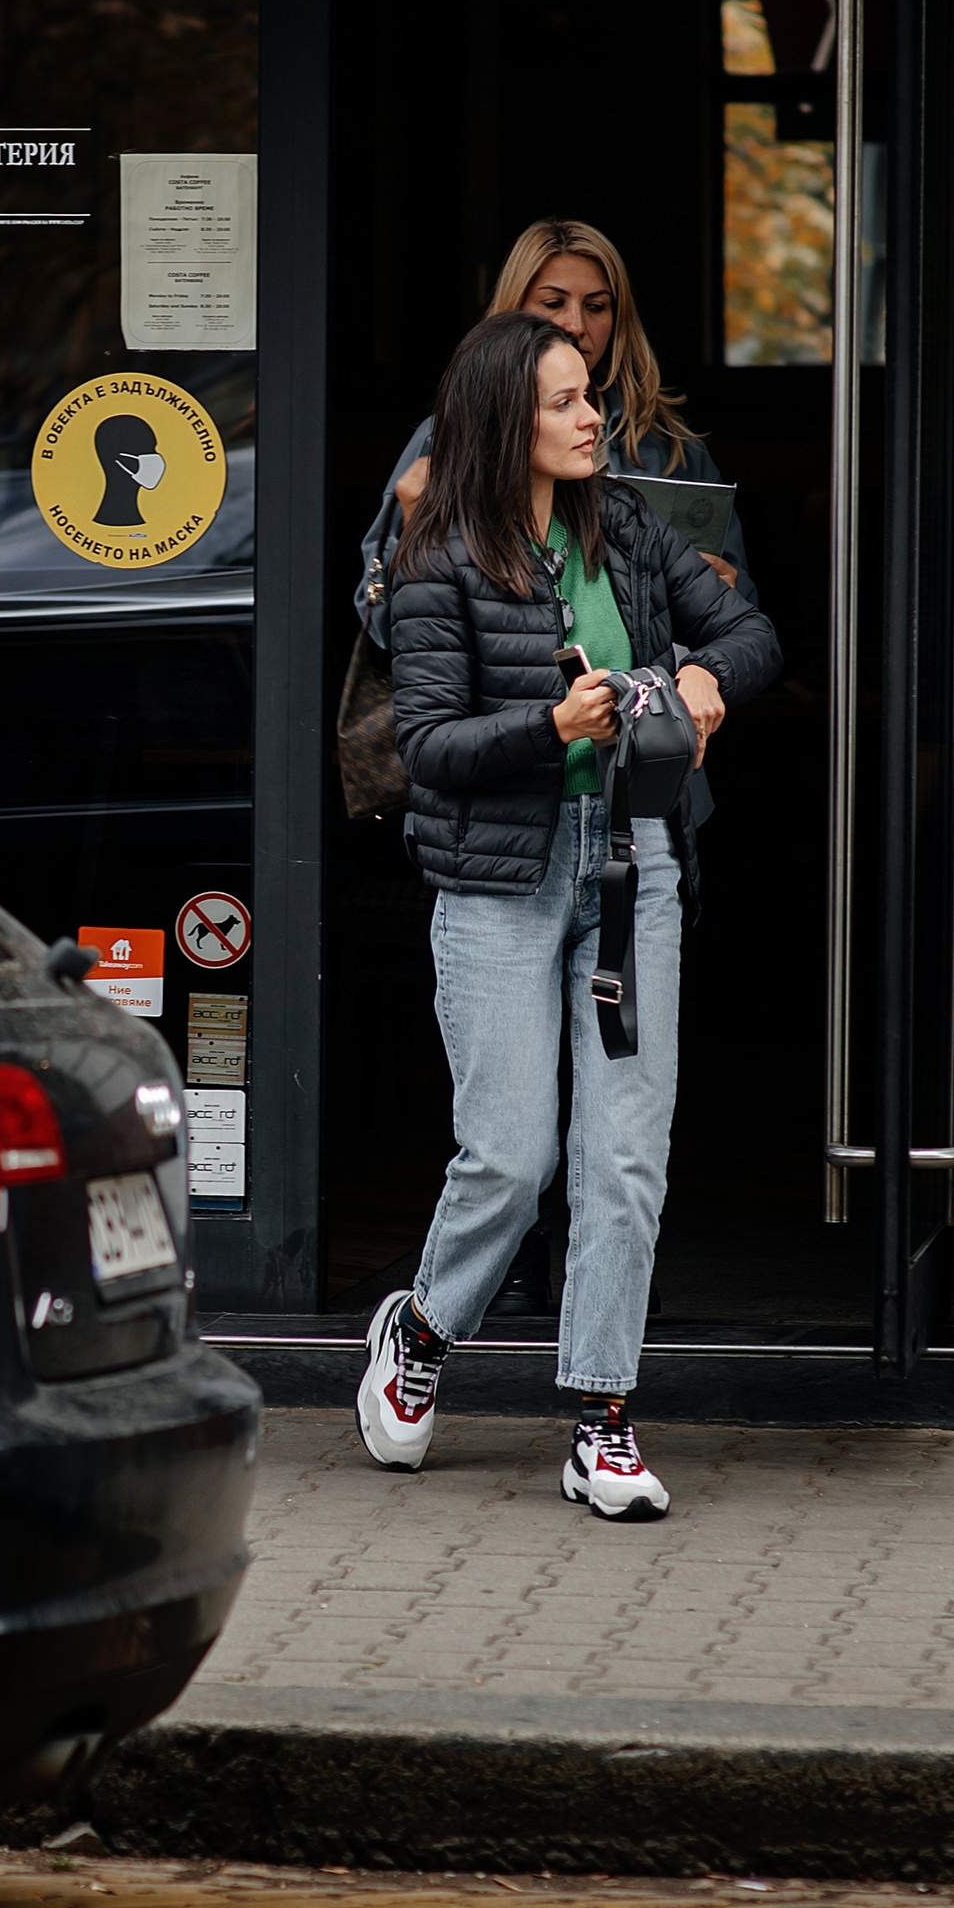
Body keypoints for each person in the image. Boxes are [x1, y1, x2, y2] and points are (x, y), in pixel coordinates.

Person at [358, 311, 781, 1519]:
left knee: (625, 1157)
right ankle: (426, 1329)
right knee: (510, 1154)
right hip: (499, 877)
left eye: (588, 393)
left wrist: (705, 675)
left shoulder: (628, 527)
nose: (592, 414)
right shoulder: (438, 560)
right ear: (506, 420)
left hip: (632, 869)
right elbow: (426, 745)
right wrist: (550, 729)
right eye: (563, 400)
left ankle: (601, 1420)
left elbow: (749, 629)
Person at [356, 216, 748, 650]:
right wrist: (418, 537)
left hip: (652, 698)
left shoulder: (668, 448)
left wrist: (721, 599)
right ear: (514, 309)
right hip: (509, 701)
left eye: (596, 306)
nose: (574, 325)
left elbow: (743, 617)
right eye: (553, 303)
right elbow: (382, 622)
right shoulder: (451, 436)